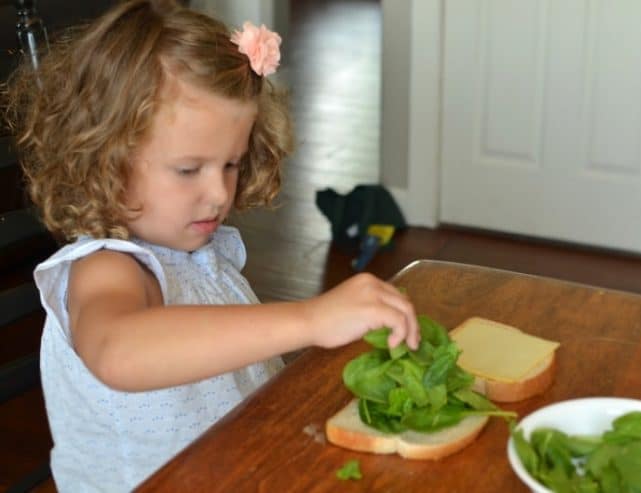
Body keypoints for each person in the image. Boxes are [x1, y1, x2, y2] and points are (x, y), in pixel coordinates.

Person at [3, 1, 419, 491]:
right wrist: (311, 319)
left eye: (231, 164)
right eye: (188, 169)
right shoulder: (107, 266)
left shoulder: (196, 252)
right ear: (104, 158)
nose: (220, 194)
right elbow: (118, 350)